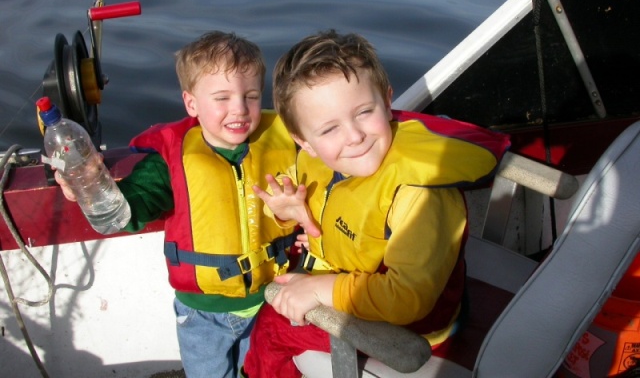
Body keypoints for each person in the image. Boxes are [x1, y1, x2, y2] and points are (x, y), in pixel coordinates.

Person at [242, 30, 508, 377]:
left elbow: (407, 299)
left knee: (272, 326)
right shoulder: (320, 161)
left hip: (408, 324)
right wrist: (293, 215)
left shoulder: (420, 195)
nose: (354, 136)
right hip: (350, 276)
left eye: (364, 112)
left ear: (386, 100)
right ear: (304, 142)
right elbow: (342, 219)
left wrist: (319, 288)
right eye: (329, 129)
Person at [55, 31, 302, 378]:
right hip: (202, 315)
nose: (239, 109)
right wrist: (88, 188)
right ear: (191, 103)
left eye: (251, 96)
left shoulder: (288, 141)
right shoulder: (170, 159)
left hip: (272, 300)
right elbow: (131, 210)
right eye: (222, 98)